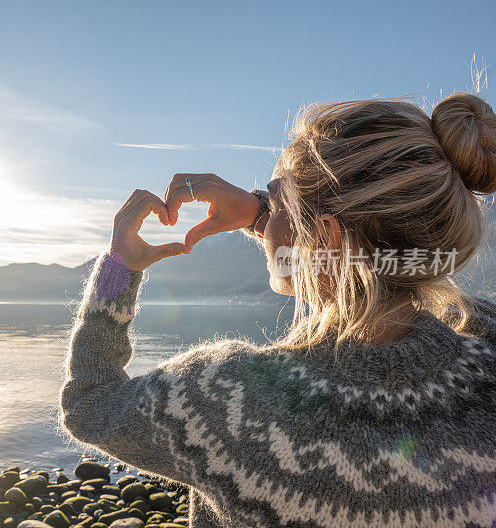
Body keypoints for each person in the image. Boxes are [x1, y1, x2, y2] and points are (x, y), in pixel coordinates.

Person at [58, 92, 496, 527]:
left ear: (325, 237)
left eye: (275, 195)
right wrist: (266, 214)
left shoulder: (229, 401)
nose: (265, 214)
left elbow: (91, 403)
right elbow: (416, 285)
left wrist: (119, 269)